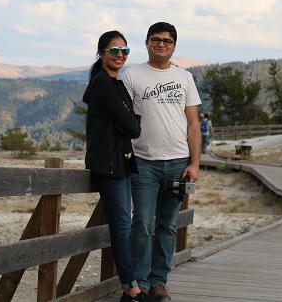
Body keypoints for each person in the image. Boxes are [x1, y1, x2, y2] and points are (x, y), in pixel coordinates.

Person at [121, 22, 202, 302]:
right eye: (156, 40)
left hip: (178, 161)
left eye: (167, 41)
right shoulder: (132, 76)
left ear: (174, 46)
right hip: (144, 160)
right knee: (141, 223)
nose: (161, 44)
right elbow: (122, 119)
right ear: (146, 43)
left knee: (167, 225)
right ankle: (139, 284)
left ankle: (159, 283)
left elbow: (193, 123)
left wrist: (195, 163)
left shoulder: (185, 78)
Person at [82, 30, 147, 302]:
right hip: (109, 165)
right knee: (122, 227)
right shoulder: (102, 84)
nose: (120, 55)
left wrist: (131, 120)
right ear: (101, 53)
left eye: (125, 50)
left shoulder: (115, 83)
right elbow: (132, 126)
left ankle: (130, 288)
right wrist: (131, 120)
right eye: (114, 50)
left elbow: (130, 123)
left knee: (128, 225)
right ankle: (132, 289)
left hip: (120, 163)